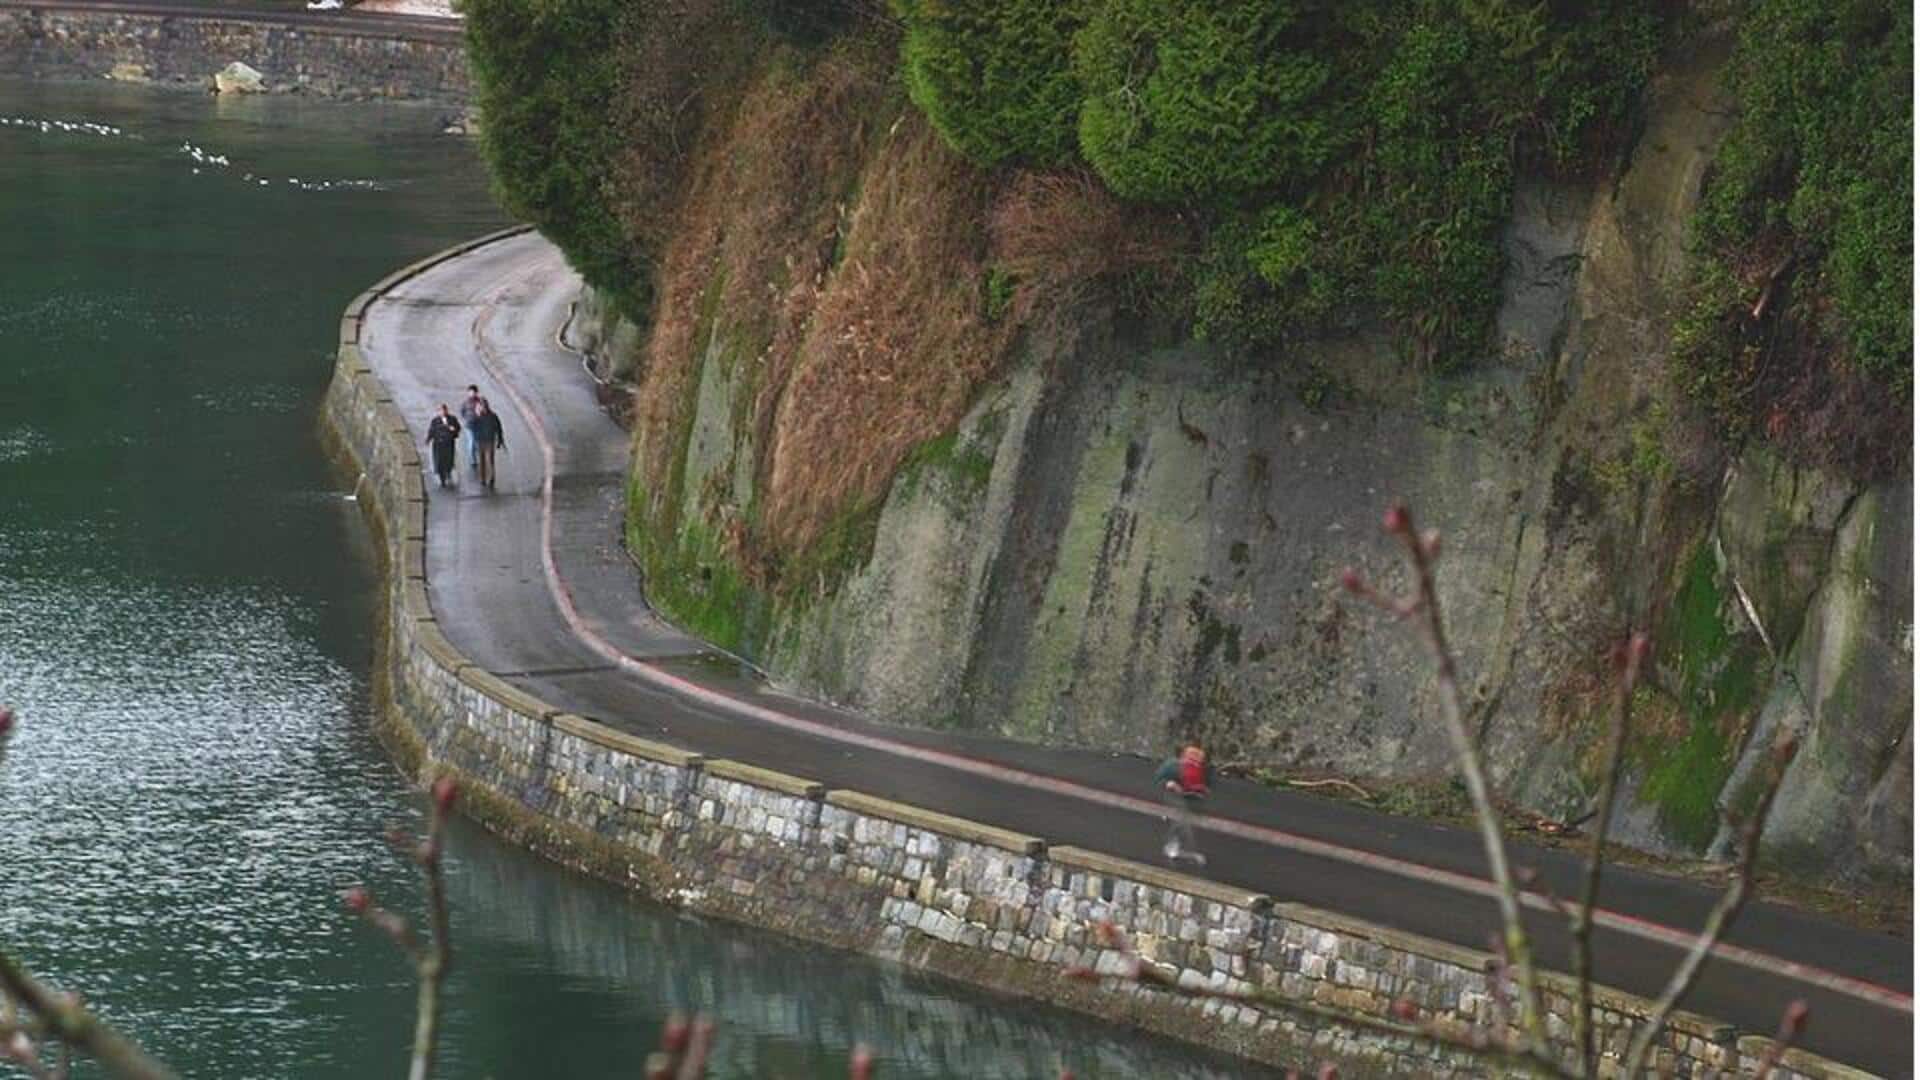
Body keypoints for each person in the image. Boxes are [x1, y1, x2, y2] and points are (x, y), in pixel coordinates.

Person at [1154, 744, 1212, 867]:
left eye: (1198, 758)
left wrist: (1202, 790)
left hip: (1191, 798)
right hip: (1174, 795)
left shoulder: (1202, 770)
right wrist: (1169, 784)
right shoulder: (1173, 765)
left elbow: (1204, 784)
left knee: (1186, 822)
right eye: (1192, 756)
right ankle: (1181, 850)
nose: (1194, 760)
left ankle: (1178, 846)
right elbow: (1159, 778)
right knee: (1182, 821)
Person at [468, 396, 506, 490]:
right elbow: (470, 426)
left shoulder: (493, 416)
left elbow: (498, 428)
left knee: (489, 460)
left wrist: (500, 440)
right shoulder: (476, 417)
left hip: (490, 440)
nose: (483, 408)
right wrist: (476, 416)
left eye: (484, 406)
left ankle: (491, 478)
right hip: (480, 440)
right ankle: (483, 478)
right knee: (481, 460)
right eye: (481, 406)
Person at [424, 404, 461, 488]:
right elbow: (431, 430)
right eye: (441, 411)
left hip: (449, 443)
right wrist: (428, 439)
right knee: (440, 461)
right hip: (438, 444)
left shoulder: (452, 419)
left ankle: (448, 472)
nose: (443, 412)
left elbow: (458, 428)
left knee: (449, 460)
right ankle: (442, 479)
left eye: (444, 410)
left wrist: (454, 430)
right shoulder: (435, 421)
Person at [458, 384, 483, 468]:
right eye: (470, 392)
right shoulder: (465, 402)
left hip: (479, 424)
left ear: (476, 393)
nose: (472, 394)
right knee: (471, 441)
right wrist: (466, 418)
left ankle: (475, 453)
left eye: (473, 392)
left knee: (477, 441)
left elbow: (484, 410)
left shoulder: (480, 401)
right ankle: (473, 460)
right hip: (469, 425)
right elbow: (462, 411)